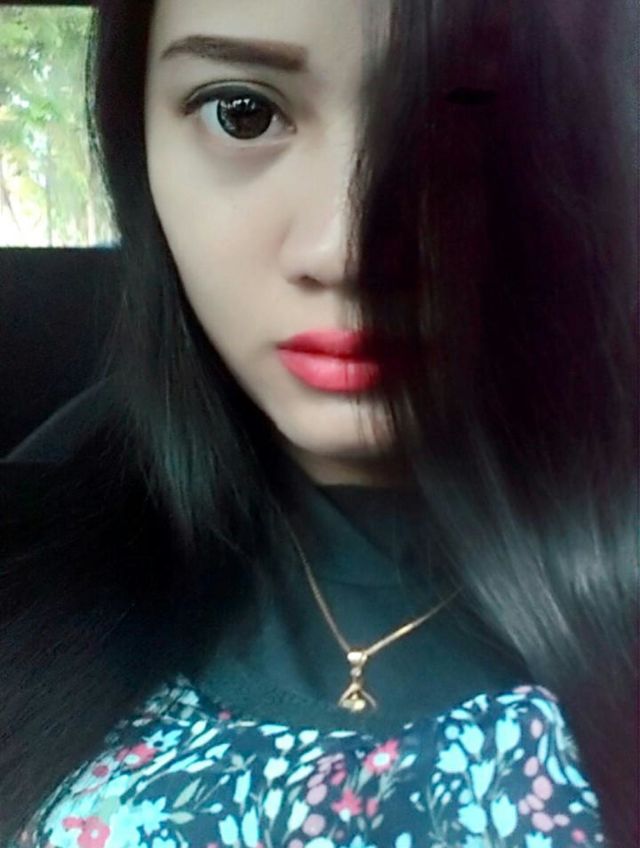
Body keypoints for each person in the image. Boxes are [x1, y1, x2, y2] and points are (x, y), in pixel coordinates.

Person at [0, 1, 636, 846]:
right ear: (136, 139)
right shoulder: (34, 585)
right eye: (243, 112)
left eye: (464, 119)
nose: (347, 251)